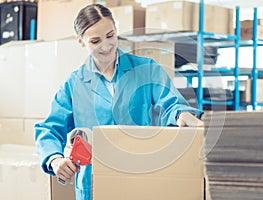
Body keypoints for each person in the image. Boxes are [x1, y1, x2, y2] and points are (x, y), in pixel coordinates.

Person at [35, 3, 204, 200]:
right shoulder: (74, 84)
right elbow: (49, 129)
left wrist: (181, 114)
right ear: (81, 41)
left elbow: (171, 103)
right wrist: (55, 159)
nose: (106, 46)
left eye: (110, 35)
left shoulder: (147, 70)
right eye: (95, 41)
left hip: (138, 176)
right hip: (92, 184)